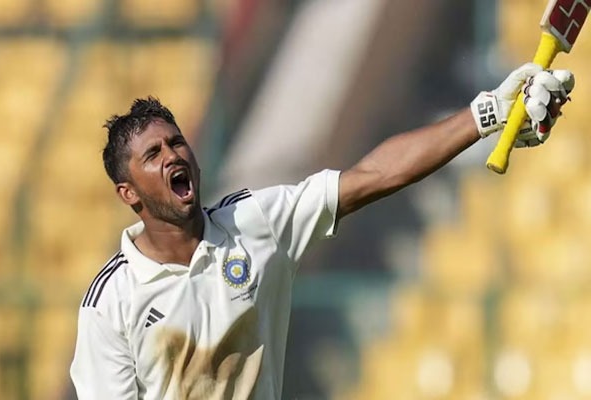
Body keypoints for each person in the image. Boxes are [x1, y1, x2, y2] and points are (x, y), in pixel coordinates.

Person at [70, 63, 574, 399]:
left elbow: (375, 175)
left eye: (176, 143)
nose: (172, 155)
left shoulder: (255, 221)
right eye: (152, 155)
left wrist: (487, 113)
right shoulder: (110, 302)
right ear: (128, 193)